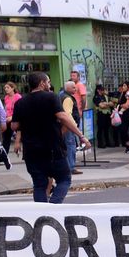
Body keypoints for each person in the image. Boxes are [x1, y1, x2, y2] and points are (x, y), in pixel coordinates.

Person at [11, 72, 83, 204]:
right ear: (42, 83)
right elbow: (63, 117)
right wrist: (81, 136)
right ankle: (54, 206)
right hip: (52, 149)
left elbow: (14, 125)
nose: (49, 85)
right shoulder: (51, 97)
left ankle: (41, 212)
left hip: (31, 151)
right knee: (64, 179)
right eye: (48, 82)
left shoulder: (20, 102)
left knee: (39, 184)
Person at [58, 78, 83, 175]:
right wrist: (74, 126)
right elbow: (68, 114)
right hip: (67, 126)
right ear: (67, 88)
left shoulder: (60, 95)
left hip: (62, 125)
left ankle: (66, 166)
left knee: (66, 145)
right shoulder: (67, 98)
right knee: (70, 145)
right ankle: (71, 167)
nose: (75, 89)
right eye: (73, 87)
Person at [115, 81, 129, 154]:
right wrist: (122, 105)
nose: (123, 87)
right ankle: (128, 145)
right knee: (123, 130)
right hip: (124, 115)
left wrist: (123, 105)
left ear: (128, 87)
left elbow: (128, 105)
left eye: (125, 86)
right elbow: (121, 104)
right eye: (123, 86)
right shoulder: (122, 94)